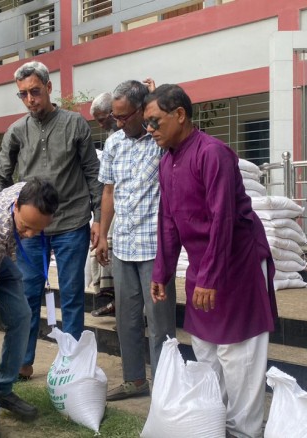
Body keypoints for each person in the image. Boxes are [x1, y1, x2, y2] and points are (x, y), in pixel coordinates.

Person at [147, 84, 277, 438]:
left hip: (236, 266)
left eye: (155, 122)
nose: (151, 130)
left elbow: (224, 218)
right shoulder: (166, 162)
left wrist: (211, 278)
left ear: (180, 115)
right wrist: (163, 270)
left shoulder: (213, 153)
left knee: (239, 358)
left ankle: (244, 432)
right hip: (204, 267)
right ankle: (212, 427)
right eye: (147, 124)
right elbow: (169, 221)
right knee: (205, 350)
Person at [0, 61, 102, 379]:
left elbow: (92, 173)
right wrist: (7, 217)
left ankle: (73, 362)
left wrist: (96, 219)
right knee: (26, 293)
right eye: (23, 95)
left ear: (49, 88)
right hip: (30, 230)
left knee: (70, 293)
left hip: (72, 221)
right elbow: (0, 175)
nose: (30, 100)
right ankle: (21, 363)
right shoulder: (16, 131)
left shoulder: (75, 124)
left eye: (35, 92)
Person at [94, 80, 176, 401]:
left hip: (155, 248)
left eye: (124, 116)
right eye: (115, 116)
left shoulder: (161, 140)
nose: (118, 123)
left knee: (159, 323)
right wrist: (102, 233)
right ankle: (134, 380)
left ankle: (165, 386)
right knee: (125, 320)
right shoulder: (114, 143)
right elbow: (109, 191)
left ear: (142, 110)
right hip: (123, 247)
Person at [0, 178, 58, 437]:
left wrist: (26, 230)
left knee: (22, 316)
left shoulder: (30, 190)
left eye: (37, 230)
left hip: (1, 255)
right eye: (25, 227)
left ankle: (2, 388)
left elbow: (25, 229)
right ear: (15, 206)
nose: (29, 235)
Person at [88, 92, 116, 317]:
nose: (99, 124)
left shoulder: (148, 135)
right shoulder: (112, 140)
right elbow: (107, 186)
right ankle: (111, 297)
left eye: (101, 118)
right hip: (112, 203)